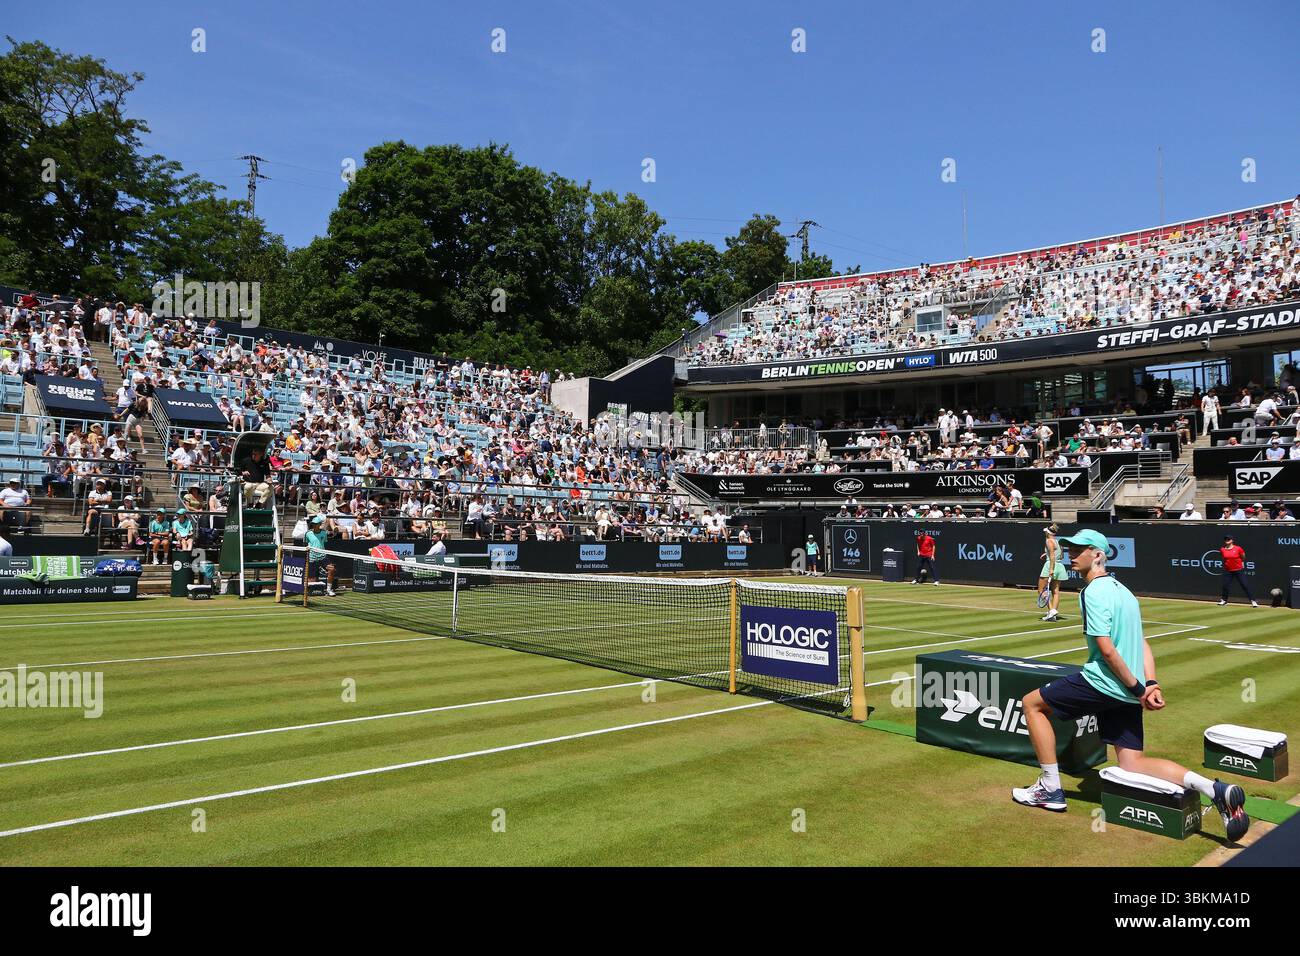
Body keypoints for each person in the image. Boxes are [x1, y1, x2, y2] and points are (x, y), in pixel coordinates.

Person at [1011, 529, 1249, 841]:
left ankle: (1051, 788)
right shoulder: (1125, 591)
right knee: (1131, 762)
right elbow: (1142, 642)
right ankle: (1213, 788)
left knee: (1032, 704)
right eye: (1070, 548)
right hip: (1127, 688)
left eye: (1080, 549)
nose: (1071, 553)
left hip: (1104, 682)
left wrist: (1139, 689)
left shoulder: (1092, 592)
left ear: (1098, 555)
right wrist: (1150, 684)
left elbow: (1107, 650)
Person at [1217, 534, 1257, 608]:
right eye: (1225, 539)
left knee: (1245, 585)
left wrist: (1240, 563)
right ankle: (1224, 600)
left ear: (1232, 540)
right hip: (1228, 571)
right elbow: (1224, 558)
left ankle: (1253, 601)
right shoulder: (1222, 549)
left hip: (1238, 570)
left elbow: (1243, 556)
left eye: (1228, 539)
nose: (1226, 540)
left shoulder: (1238, 548)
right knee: (1225, 586)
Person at [1037, 524, 1067, 621]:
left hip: (1050, 565)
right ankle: (1053, 612)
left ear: (1048, 533)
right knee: (1055, 591)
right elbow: (1059, 555)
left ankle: (1051, 612)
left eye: (1046, 531)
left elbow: (1053, 556)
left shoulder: (1048, 541)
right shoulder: (1056, 542)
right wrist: (1046, 554)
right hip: (1059, 566)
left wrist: (1050, 569)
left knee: (1041, 590)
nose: (1045, 532)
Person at [305, 515, 336, 596]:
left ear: (319, 524)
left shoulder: (324, 533)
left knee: (332, 569)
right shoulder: (308, 534)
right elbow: (306, 543)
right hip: (312, 557)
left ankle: (329, 589)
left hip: (322, 556)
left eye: (316, 524)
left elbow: (323, 542)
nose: (315, 525)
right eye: (313, 524)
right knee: (312, 580)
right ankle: (313, 590)